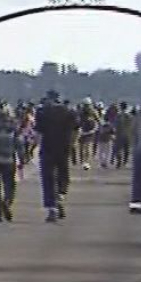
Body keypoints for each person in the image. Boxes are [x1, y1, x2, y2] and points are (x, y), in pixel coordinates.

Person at [35, 90, 80, 221]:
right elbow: (77, 129)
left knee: (48, 178)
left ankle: (52, 207)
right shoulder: (69, 111)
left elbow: (38, 133)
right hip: (64, 148)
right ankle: (60, 196)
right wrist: (73, 144)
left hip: (47, 148)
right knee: (63, 175)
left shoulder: (42, 112)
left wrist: (34, 149)